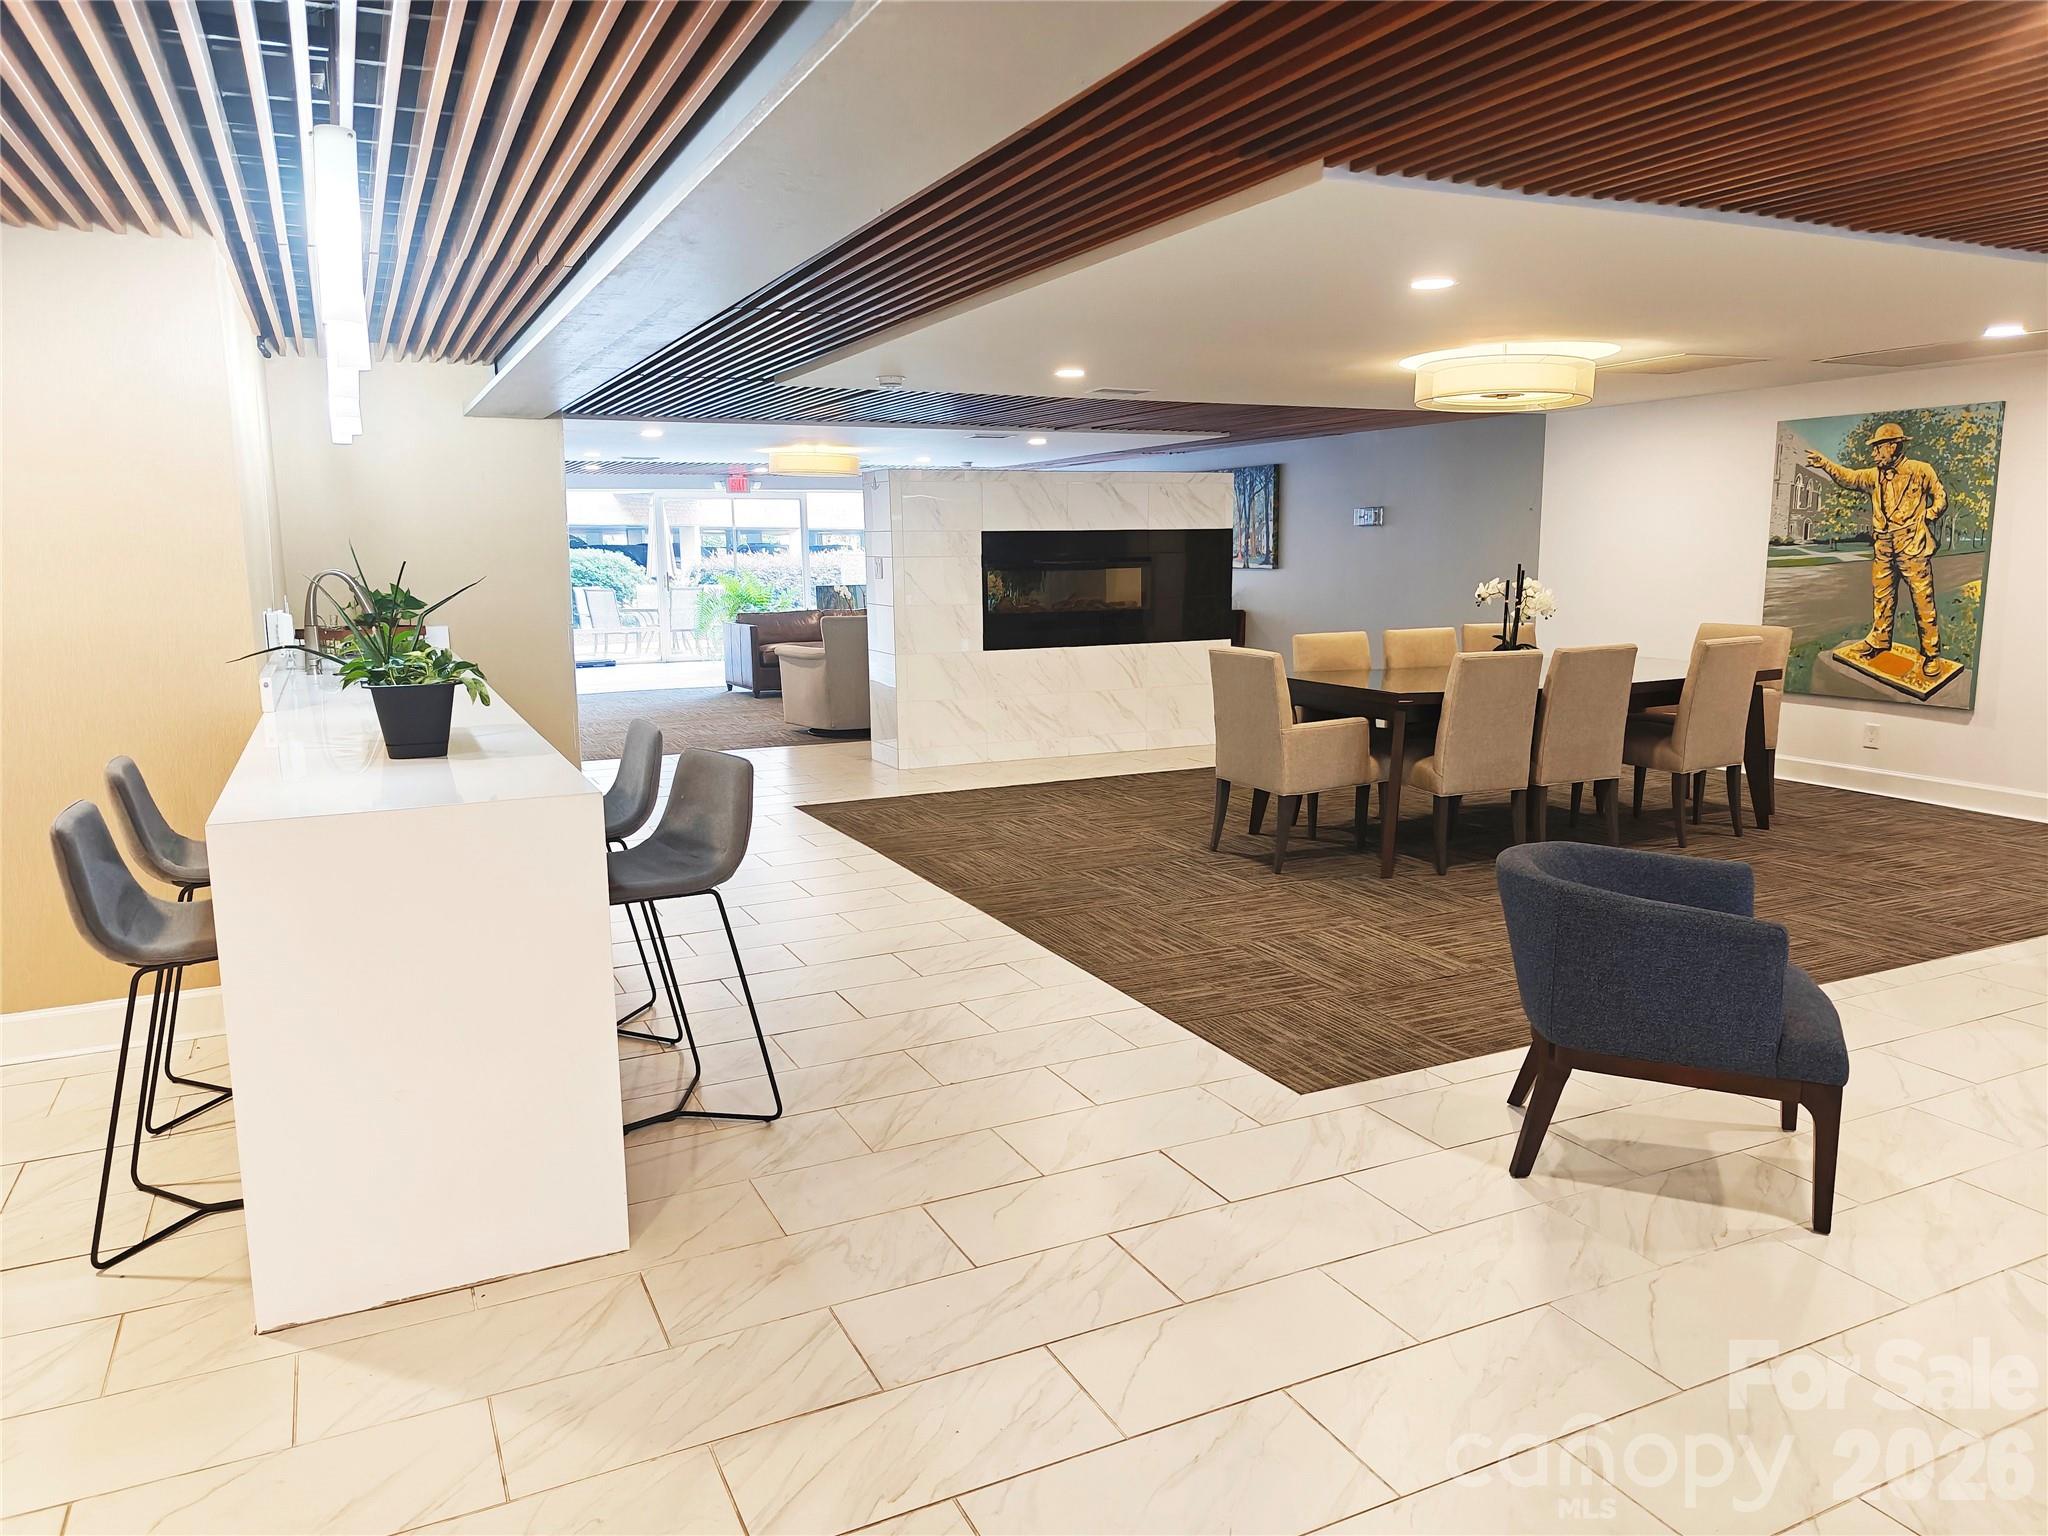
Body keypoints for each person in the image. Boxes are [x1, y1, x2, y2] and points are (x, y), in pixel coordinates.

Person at [1806, 422, 1947, 688]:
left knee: (1922, 601)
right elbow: (1848, 477)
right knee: (1882, 596)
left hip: (1912, 545)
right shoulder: (1873, 476)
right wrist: (1825, 464)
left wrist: (1928, 515)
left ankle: (1931, 654)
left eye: (1878, 448)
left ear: (1892, 446)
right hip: (1883, 545)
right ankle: (1879, 641)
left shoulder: (1921, 470)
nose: (1874, 454)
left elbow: (1940, 497)